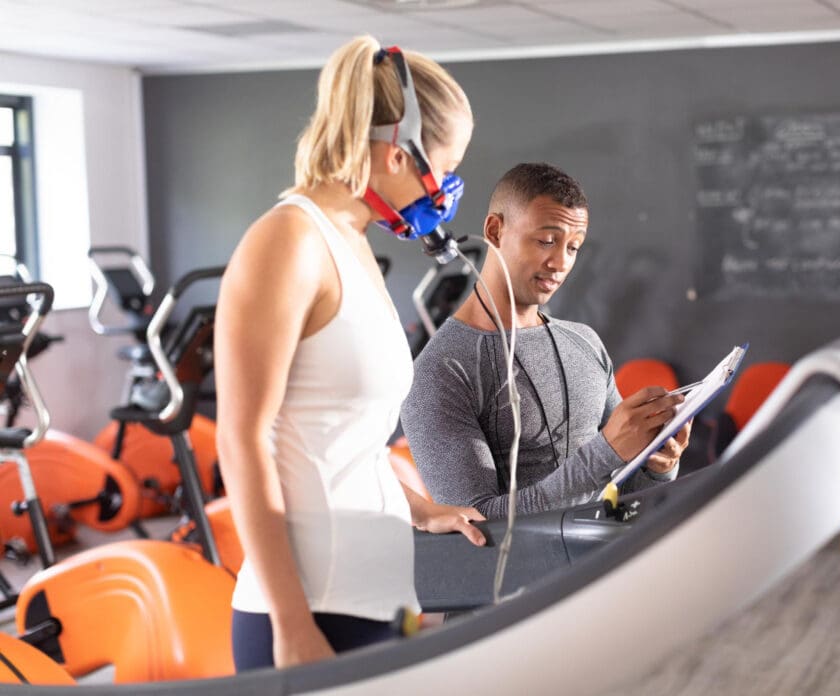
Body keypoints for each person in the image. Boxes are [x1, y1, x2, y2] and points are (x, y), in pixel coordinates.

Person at [215, 36, 485, 673]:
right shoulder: (288, 240)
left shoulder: (351, 240)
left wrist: (418, 508)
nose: (446, 187)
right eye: (443, 167)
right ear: (397, 152)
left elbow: (341, 437)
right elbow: (242, 440)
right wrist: (292, 625)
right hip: (312, 611)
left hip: (375, 601)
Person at [401, 162, 691, 520]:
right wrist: (606, 451)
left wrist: (658, 464)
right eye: (546, 241)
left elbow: (626, 497)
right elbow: (476, 525)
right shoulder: (440, 371)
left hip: (608, 561)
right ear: (495, 230)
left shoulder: (584, 342)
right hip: (535, 576)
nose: (560, 262)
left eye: (573, 247)